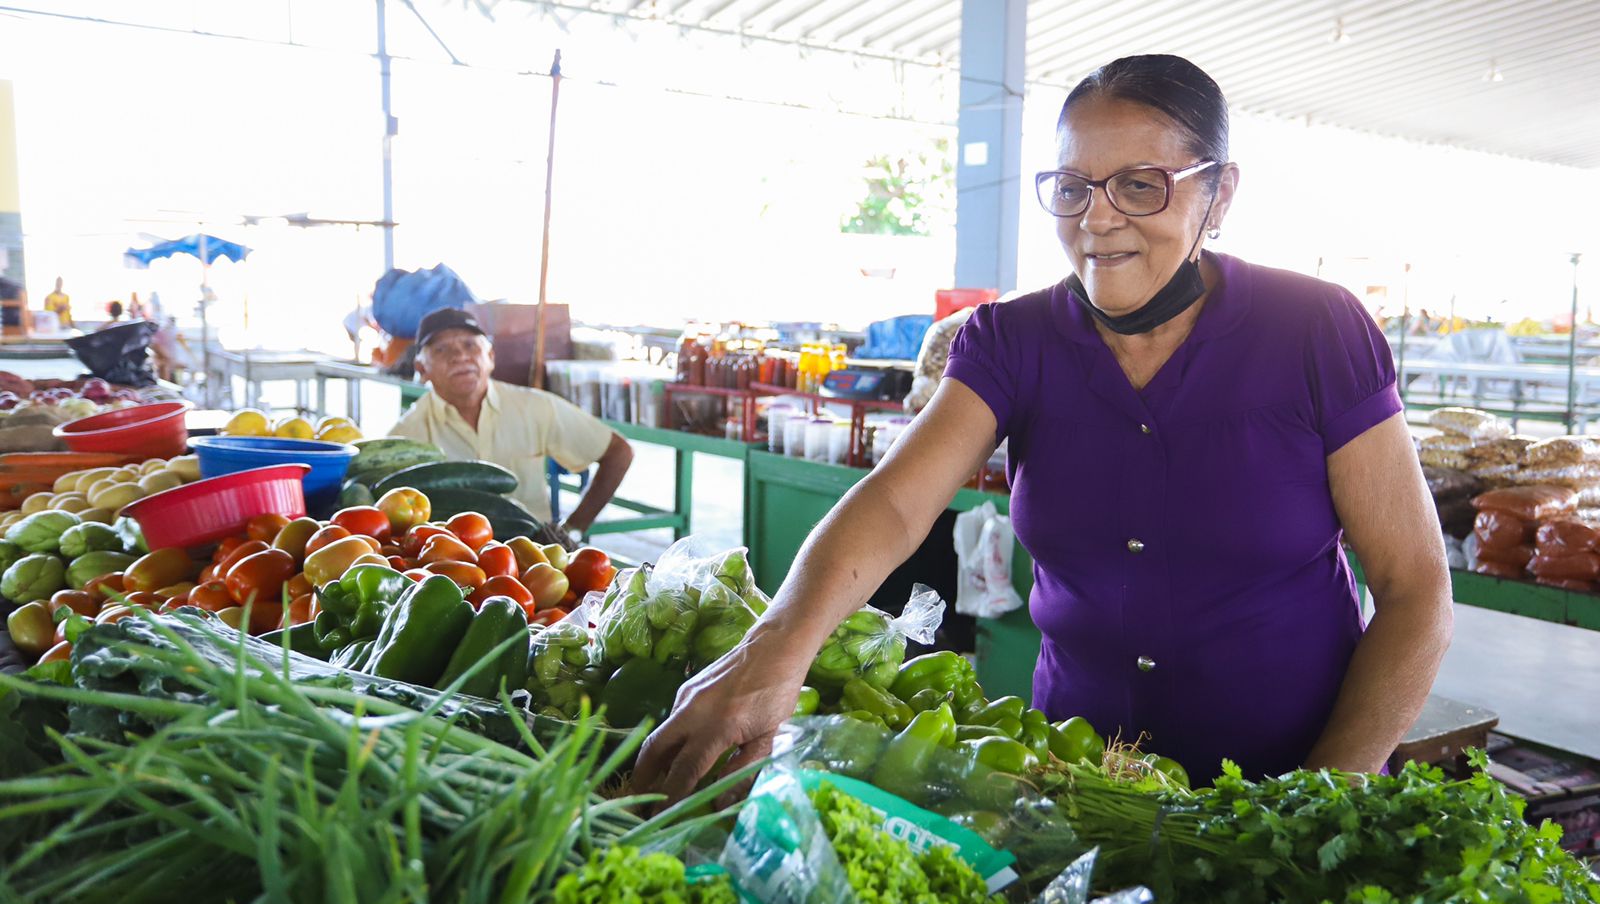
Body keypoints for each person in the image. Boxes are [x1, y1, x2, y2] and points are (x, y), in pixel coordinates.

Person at [635, 54, 1452, 801]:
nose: (1097, 220)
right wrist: (772, 651)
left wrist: (1319, 799)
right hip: (1073, 786)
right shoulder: (1010, 341)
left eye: (1141, 186)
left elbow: (1415, 591)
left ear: (1220, 193)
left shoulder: (1314, 331)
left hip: (1292, 782)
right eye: (1072, 187)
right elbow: (895, 505)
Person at [389, 307, 633, 540]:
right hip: (449, 559)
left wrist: (572, 529)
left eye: (470, 345)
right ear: (421, 368)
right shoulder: (406, 436)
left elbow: (618, 452)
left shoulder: (535, 407)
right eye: (442, 349)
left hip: (536, 553)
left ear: (490, 357)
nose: (460, 356)